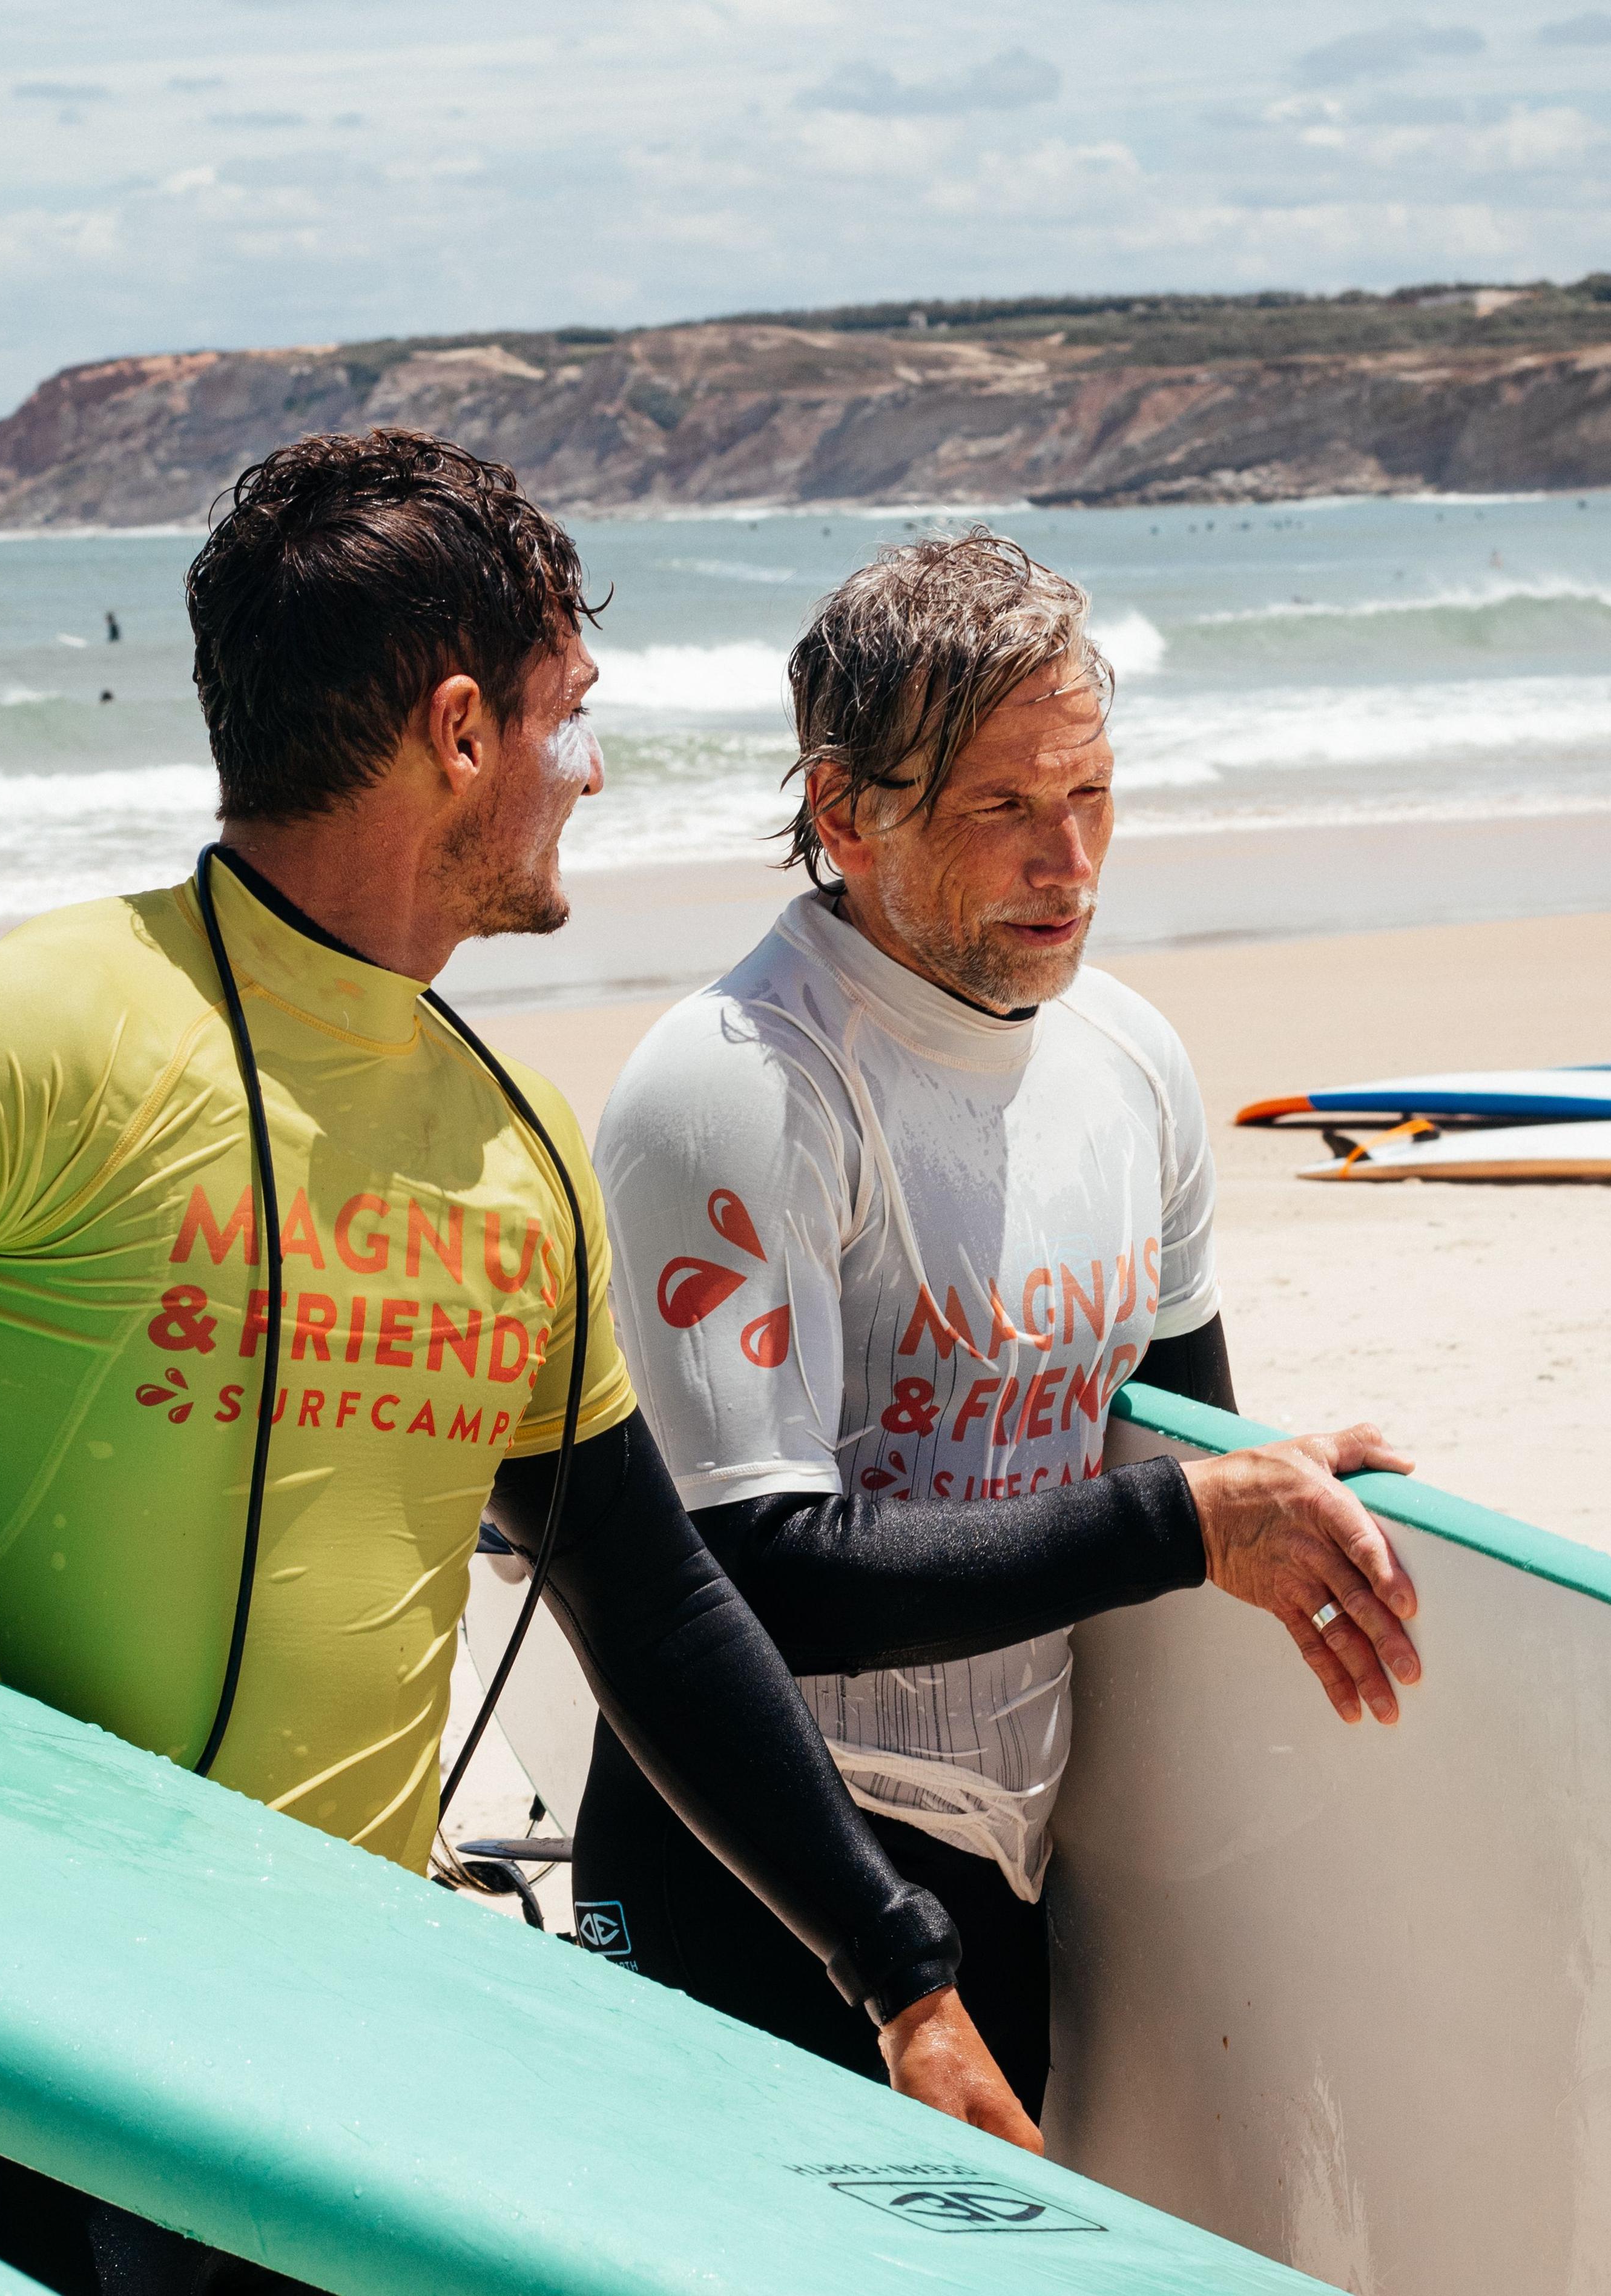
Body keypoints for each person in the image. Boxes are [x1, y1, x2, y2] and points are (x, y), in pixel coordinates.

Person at [0, 434, 1090, 2294]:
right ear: (461, 732)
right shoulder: (33, 1031)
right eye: (570, 713)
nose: (591, 767)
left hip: (336, 2046)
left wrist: (903, 1982)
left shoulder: (515, 1147)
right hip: (4, 2026)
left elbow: (648, 1601)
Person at [582, 528, 1423, 2127]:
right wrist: (1186, 1522)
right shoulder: (736, 1092)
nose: (1073, 862)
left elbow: (1166, 1439)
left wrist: (1272, 1491)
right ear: (844, 814)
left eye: (1091, 795)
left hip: (1013, 1864)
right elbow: (745, 1577)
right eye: (1004, 810)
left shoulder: (1132, 1063)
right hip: (754, 1873)